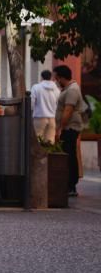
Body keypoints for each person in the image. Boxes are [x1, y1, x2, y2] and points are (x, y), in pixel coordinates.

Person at [53, 65, 88, 197]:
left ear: (62, 77)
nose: (56, 80)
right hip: (67, 127)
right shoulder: (68, 88)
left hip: (70, 127)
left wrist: (60, 128)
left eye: (57, 77)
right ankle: (69, 184)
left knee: (69, 156)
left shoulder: (72, 89)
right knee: (68, 154)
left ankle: (71, 185)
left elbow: (68, 110)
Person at [31, 70, 60, 144]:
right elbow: (58, 103)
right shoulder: (56, 89)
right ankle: (47, 156)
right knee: (50, 142)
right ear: (51, 77)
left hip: (39, 117)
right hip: (52, 119)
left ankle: (39, 156)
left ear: (41, 77)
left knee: (38, 141)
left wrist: (32, 112)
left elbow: (32, 103)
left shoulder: (36, 87)